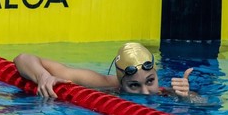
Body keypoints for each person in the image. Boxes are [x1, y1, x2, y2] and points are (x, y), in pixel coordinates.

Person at [14, 42, 194, 99]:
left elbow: (202, 105)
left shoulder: (166, 93)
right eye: (134, 85)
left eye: (150, 81)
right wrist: (43, 76)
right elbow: (22, 58)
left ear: (156, 74)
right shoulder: (104, 84)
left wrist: (188, 97)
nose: (146, 92)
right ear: (121, 82)